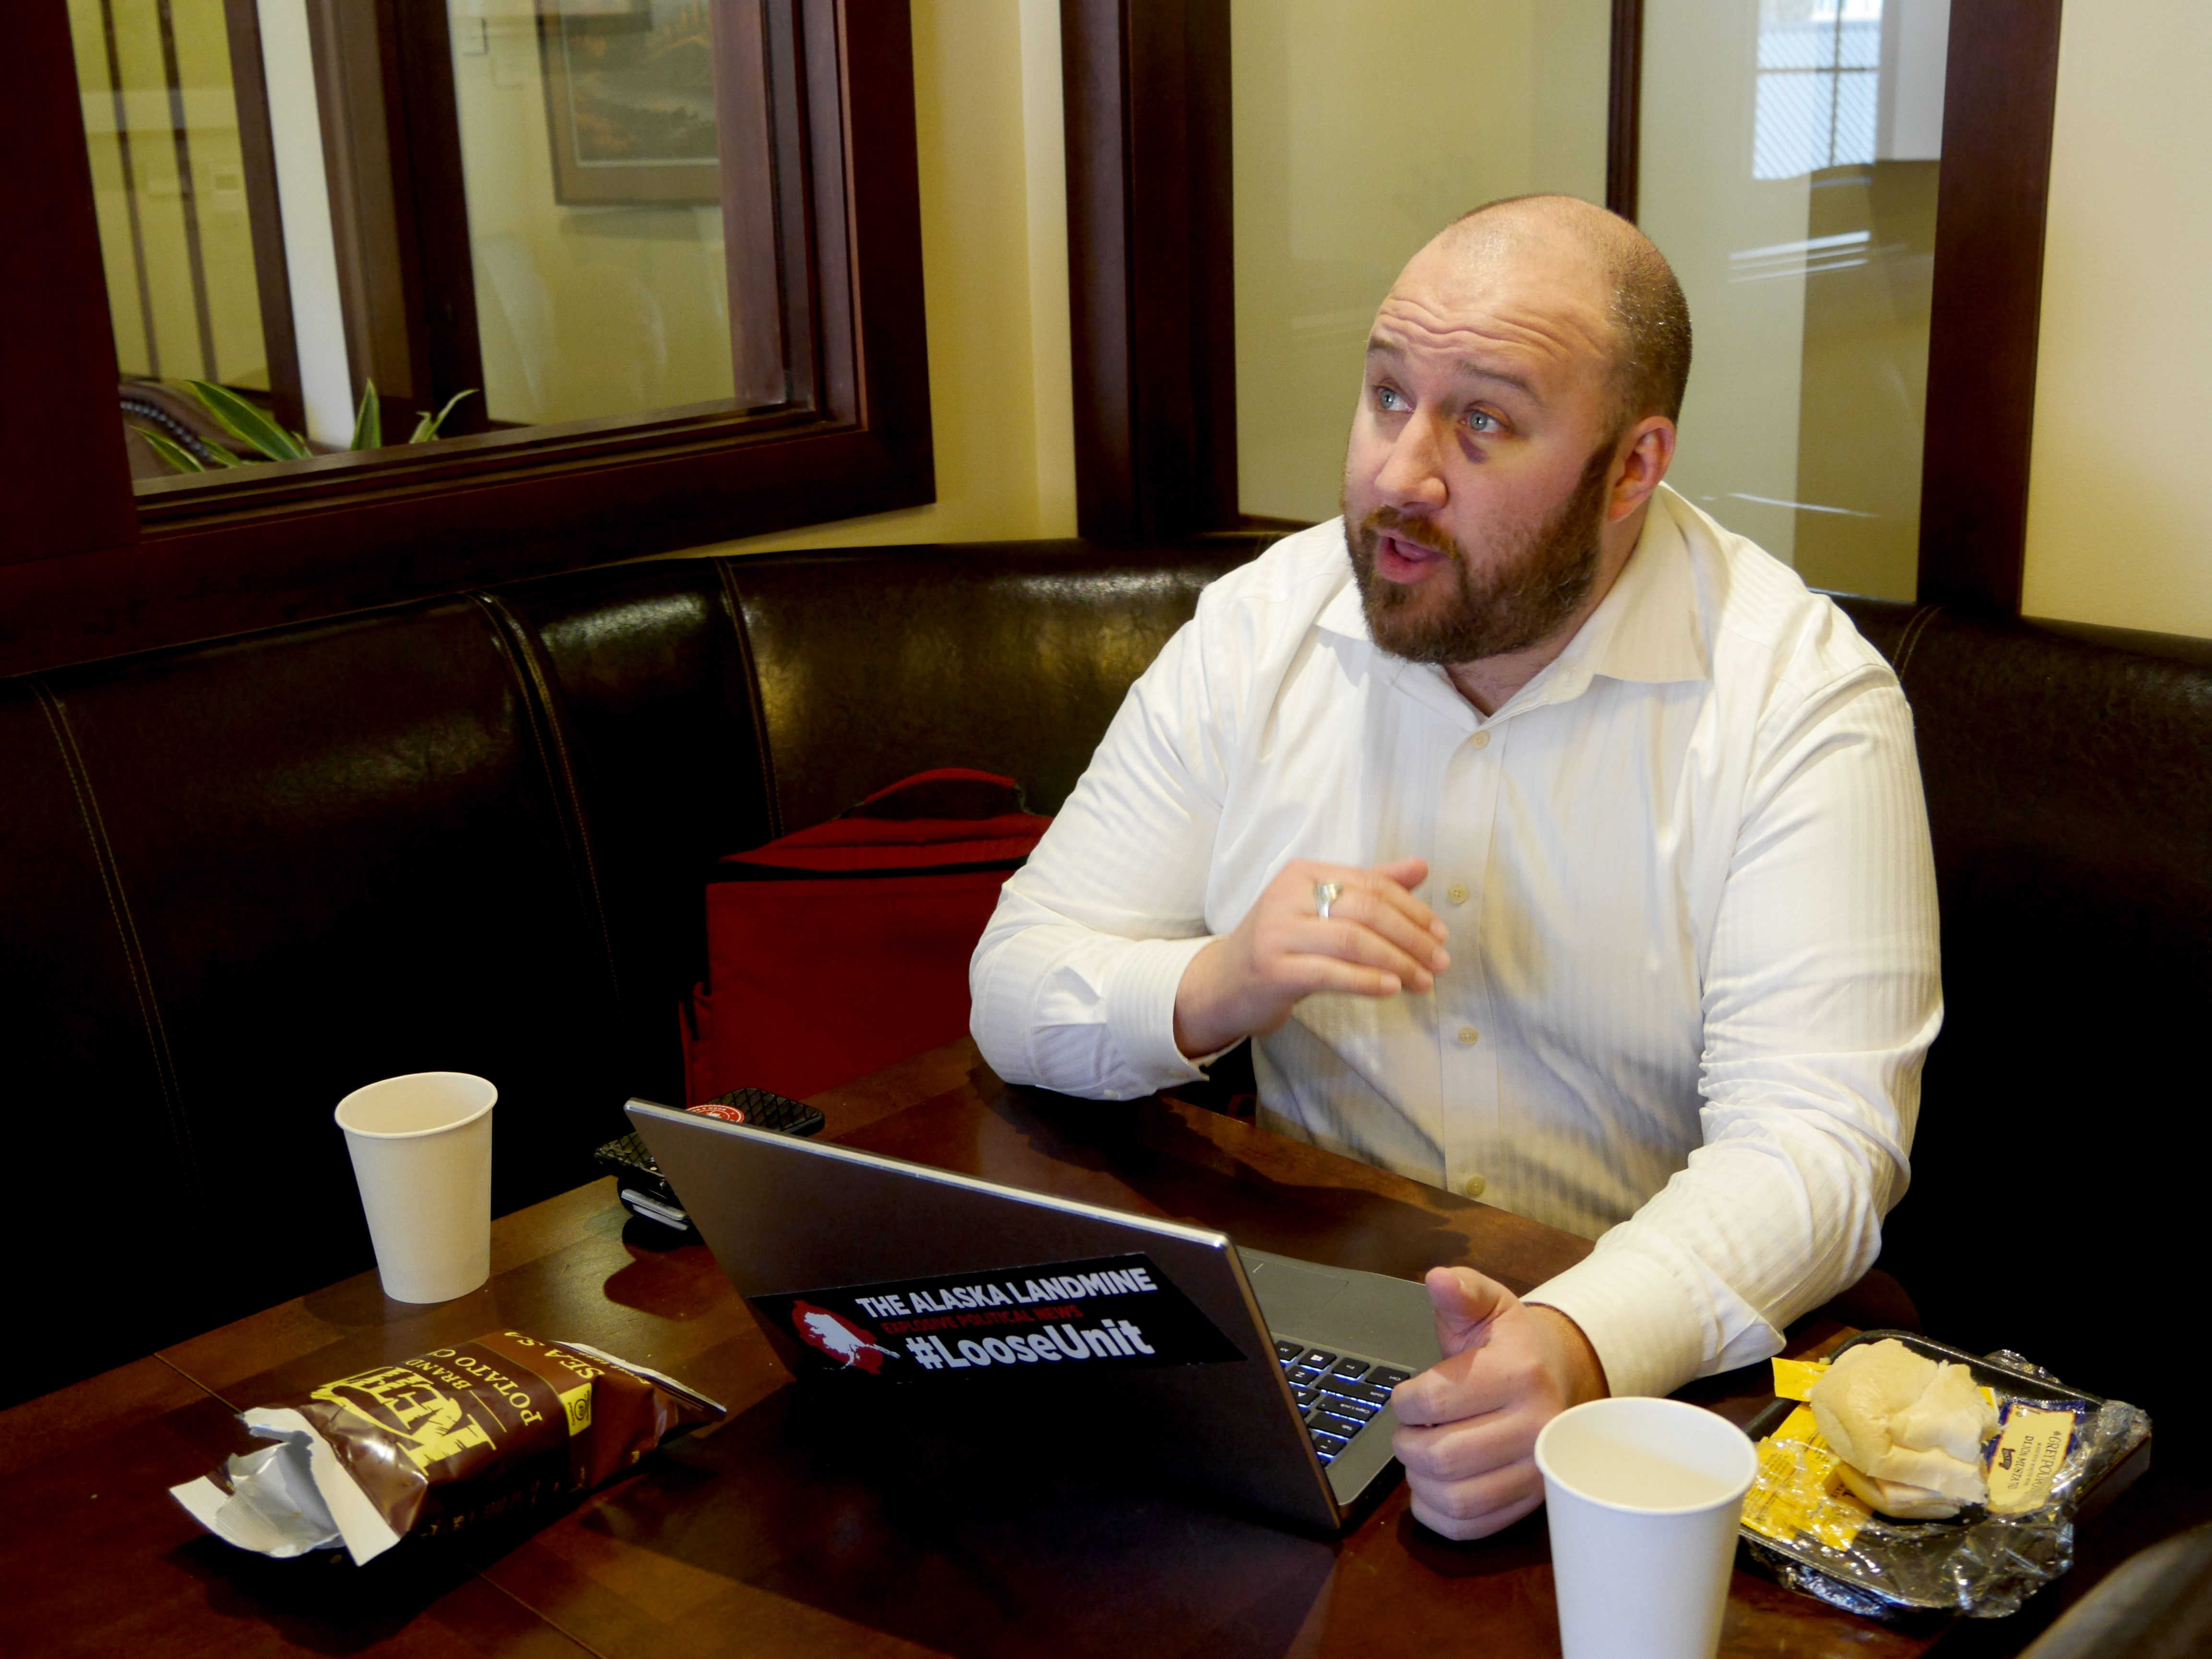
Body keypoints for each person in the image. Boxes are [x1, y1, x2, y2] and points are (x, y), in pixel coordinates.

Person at [969, 194, 1940, 1539]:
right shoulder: (1260, 632)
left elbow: (1818, 1146)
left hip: (1661, 1379)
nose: (1399, 474)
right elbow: (1012, 986)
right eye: (1385, 396)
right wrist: (1216, 981)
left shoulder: (1799, 698)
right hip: (1315, 1334)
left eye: (1483, 420)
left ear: (1631, 466)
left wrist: (1582, 1339)